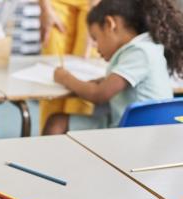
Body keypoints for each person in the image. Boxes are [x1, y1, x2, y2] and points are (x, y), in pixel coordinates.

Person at [43, 0, 183, 134]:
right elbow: (118, 83)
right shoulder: (146, 47)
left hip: (134, 131)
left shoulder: (139, 52)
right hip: (139, 127)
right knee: (57, 121)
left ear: (110, 25)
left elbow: (98, 95)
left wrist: (65, 78)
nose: (96, 48)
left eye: (96, 39)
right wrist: (100, 80)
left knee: (56, 123)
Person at [38, 0, 100, 133]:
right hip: (57, 4)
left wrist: (94, 20)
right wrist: (45, 9)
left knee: (85, 76)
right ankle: (46, 142)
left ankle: (77, 143)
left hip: (92, 5)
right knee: (51, 82)